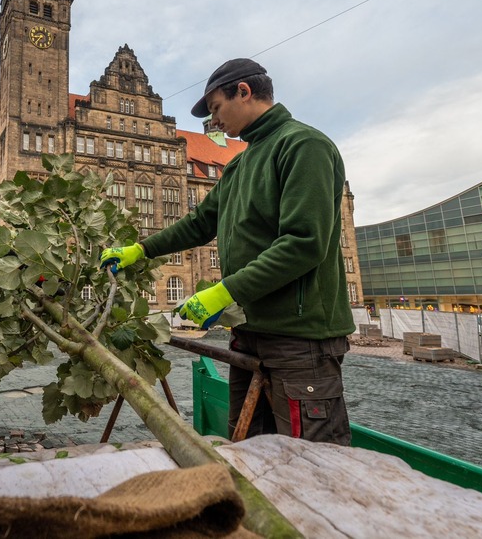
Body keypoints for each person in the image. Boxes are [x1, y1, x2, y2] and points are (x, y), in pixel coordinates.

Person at [100, 58, 354, 445]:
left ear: (244, 92)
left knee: (313, 464)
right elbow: (201, 223)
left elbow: (305, 243)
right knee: (247, 450)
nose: (214, 122)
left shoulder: (304, 146)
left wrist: (225, 291)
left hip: (300, 341)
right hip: (250, 332)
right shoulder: (239, 165)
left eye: (216, 108)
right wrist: (140, 249)